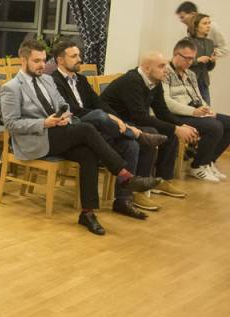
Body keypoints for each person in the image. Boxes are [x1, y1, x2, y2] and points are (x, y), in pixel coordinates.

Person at [0, 40, 160, 235]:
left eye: (43, 60)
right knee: (86, 129)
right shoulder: (11, 87)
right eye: (36, 61)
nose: (42, 65)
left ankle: (88, 213)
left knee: (87, 153)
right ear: (23, 60)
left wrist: (64, 117)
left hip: (58, 132)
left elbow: (64, 106)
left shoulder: (47, 80)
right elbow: (11, 124)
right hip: (34, 140)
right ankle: (125, 175)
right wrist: (44, 123)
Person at [50, 40, 167, 219]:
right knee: (98, 115)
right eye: (74, 56)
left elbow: (99, 102)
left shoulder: (81, 79)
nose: (79, 59)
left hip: (95, 128)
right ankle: (138, 134)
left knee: (130, 145)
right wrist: (107, 117)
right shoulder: (53, 81)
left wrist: (116, 119)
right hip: (73, 125)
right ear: (60, 60)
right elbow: (70, 109)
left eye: (79, 55)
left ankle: (123, 200)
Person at [101, 52, 199, 208]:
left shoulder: (155, 81)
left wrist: (180, 126)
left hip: (131, 122)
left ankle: (161, 180)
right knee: (151, 132)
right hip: (113, 125)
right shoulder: (132, 81)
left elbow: (162, 111)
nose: (166, 70)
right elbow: (140, 117)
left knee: (169, 134)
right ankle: (138, 190)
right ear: (147, 68)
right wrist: (175, 128)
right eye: (161, 66)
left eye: (165, 65)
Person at [162, 38, 230, 182]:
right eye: (186, 58)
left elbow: (198, 96)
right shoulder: (165, 72)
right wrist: (193, 112)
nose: (189, 62)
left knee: (228, 123)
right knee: (215, 127)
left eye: (192, 59)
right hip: (176, 115)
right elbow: (166, 102)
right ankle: (197, 166)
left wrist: (207, 109)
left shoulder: (190, 74)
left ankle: (208, 162)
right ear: (175, 54)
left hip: (194, 112)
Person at [186, 13, 217, 104]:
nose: (208, 26)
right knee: (191, 109)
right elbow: (179, 63)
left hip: (204, 83)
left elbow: (209, 68)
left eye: (209, 23)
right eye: (205, 23)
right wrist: (197, 60)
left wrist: (212, 61)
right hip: (189, 82)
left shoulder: (210, 43)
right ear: (195, 26)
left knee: (206, 109)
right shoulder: (186, 41)